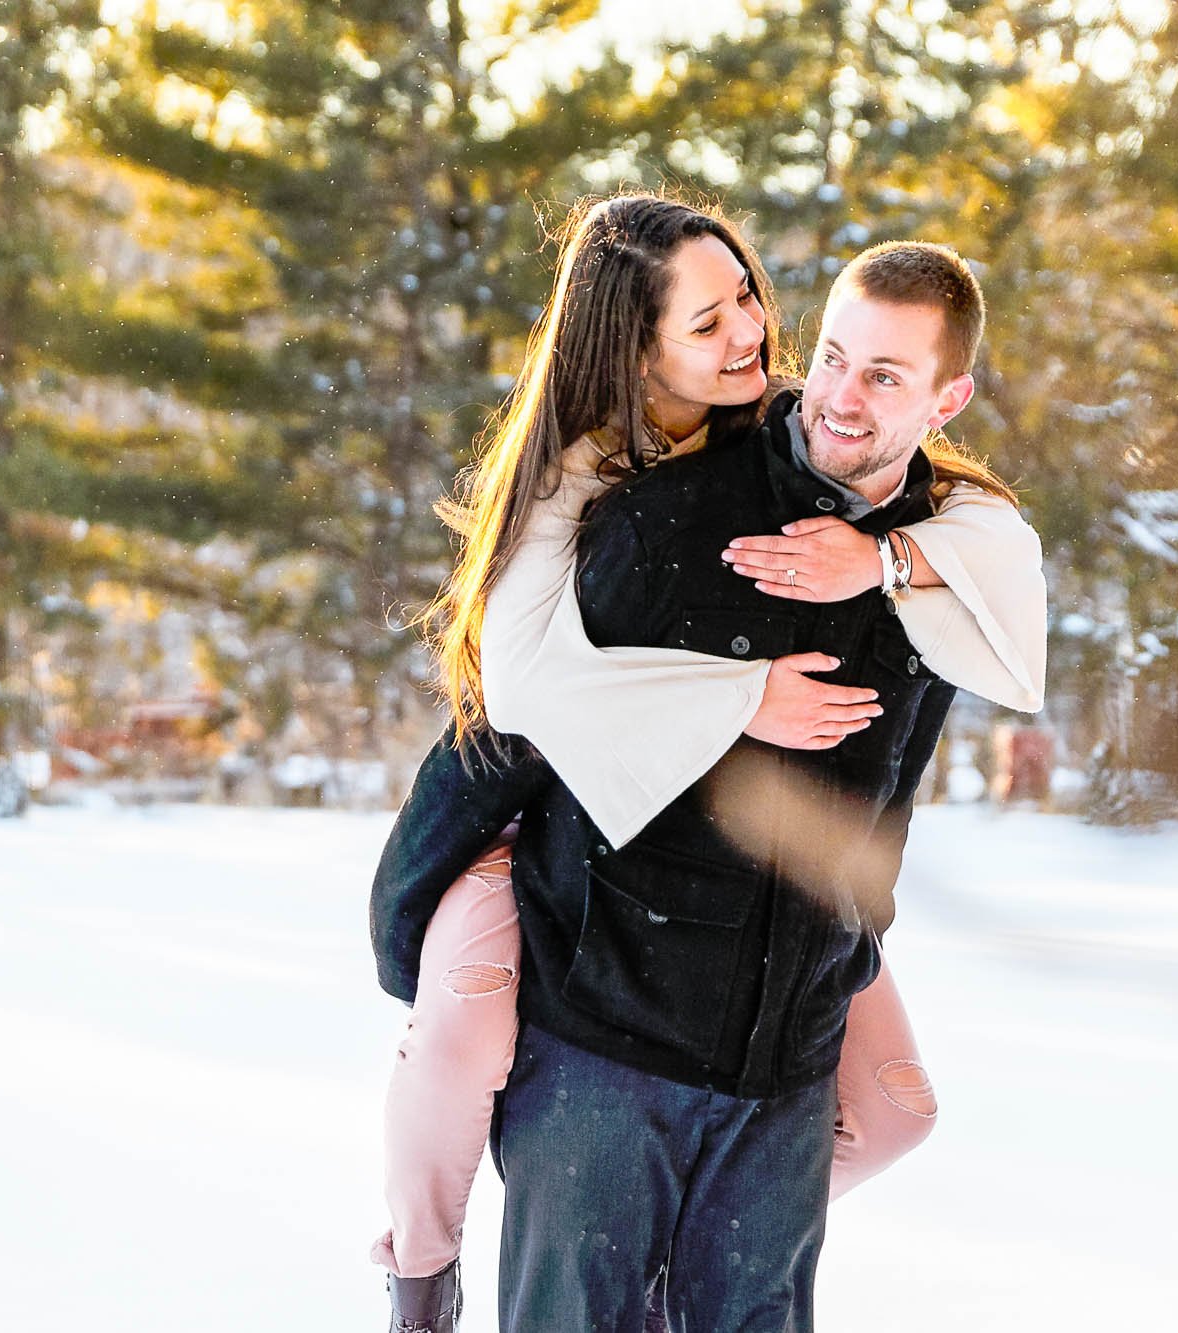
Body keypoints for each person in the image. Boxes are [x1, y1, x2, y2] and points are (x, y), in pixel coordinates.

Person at [370, 198, 1044, 1332]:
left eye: (748, 298)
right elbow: (515, 712)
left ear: (942, 397)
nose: (754, 339)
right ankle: (419, 1272)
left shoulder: (856, 477)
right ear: (638, 351)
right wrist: (742, 696)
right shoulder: (585, 493)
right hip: (547, 887)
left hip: (786, 1002)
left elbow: (1001, 565)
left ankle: (672, 1243)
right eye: (708, 321)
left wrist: (882, 562)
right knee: (460, 1026)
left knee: (893, 1109)